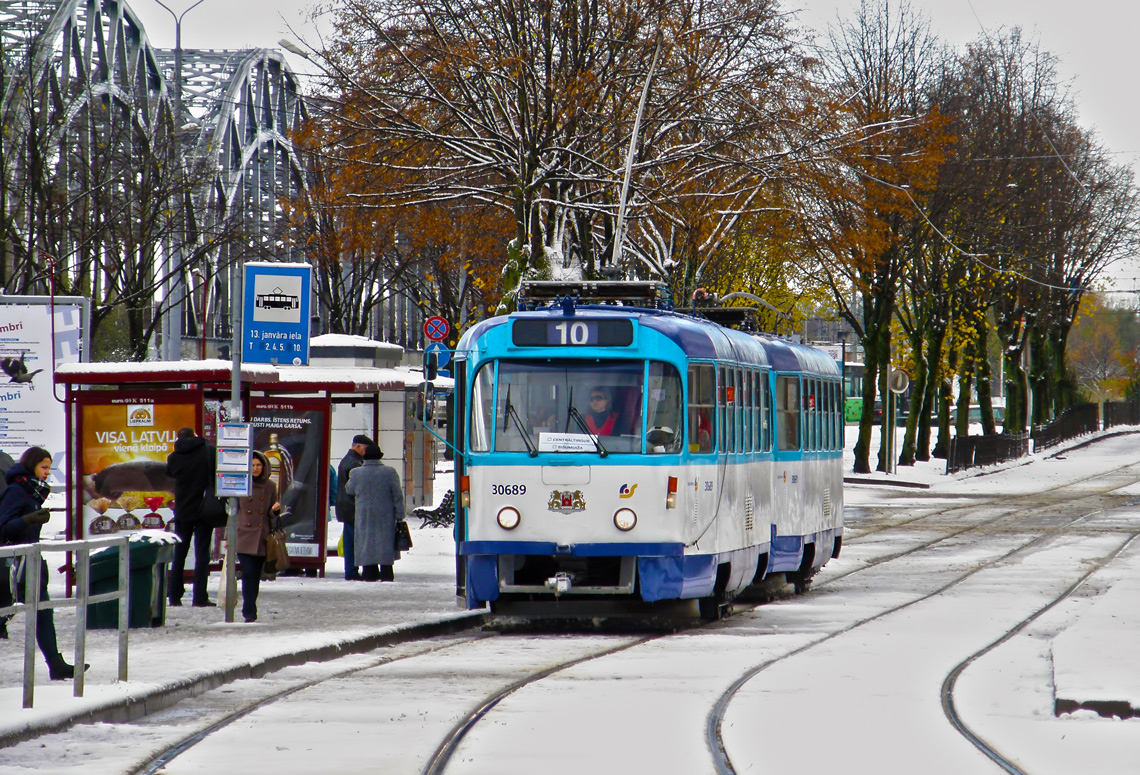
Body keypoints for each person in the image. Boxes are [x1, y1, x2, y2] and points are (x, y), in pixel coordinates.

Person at [0, 447, 84, 679]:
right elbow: (4, 526)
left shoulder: (32, 491)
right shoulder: (17, 491)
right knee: (8, 610)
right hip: (13, 564)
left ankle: (56, 665)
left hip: (31, 561)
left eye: (49, 467)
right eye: (43, 467)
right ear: (32, 466)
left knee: (43, 612)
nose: (47, 472)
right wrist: (28, 520)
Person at [165, 427, 216, 607]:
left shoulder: (173, 457)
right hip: (204, 508)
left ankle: (174, 595)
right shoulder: (208, 452)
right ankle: (200, 596)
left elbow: (170, 474)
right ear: (195, 435)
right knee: (202, 553)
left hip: (183, 509)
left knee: (180, 553)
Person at [344, 443, 405, 582]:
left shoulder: (356, 473)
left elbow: (349, 490)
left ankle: (369, 573)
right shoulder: (390, 472)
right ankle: (386, 573)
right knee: (385, 544)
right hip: (386, 516)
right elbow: (397, 495)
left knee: (367, 544)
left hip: (363, 516)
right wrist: (400, 515)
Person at [235, 451, 279, 623]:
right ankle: (249, 611)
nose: (255, 469)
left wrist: (275, 510)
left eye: (259, 465)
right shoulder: (241, 484)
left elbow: (271, 513)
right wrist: (228, 537)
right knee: (248, 573)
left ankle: (251, 608)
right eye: (252, 465)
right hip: (244, 535)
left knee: (255, 575)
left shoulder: (269, 486)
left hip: (261, 537)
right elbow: (233, 512)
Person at [336, 434, 372, 581]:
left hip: (346, 507)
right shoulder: (355, 463)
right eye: (365, 449)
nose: (366, 452)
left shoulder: (347, 460)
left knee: (350, 541)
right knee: (355, 542)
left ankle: (351, 570)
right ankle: (352, 571)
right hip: (353, 508)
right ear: (357, 446)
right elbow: (358, 488)